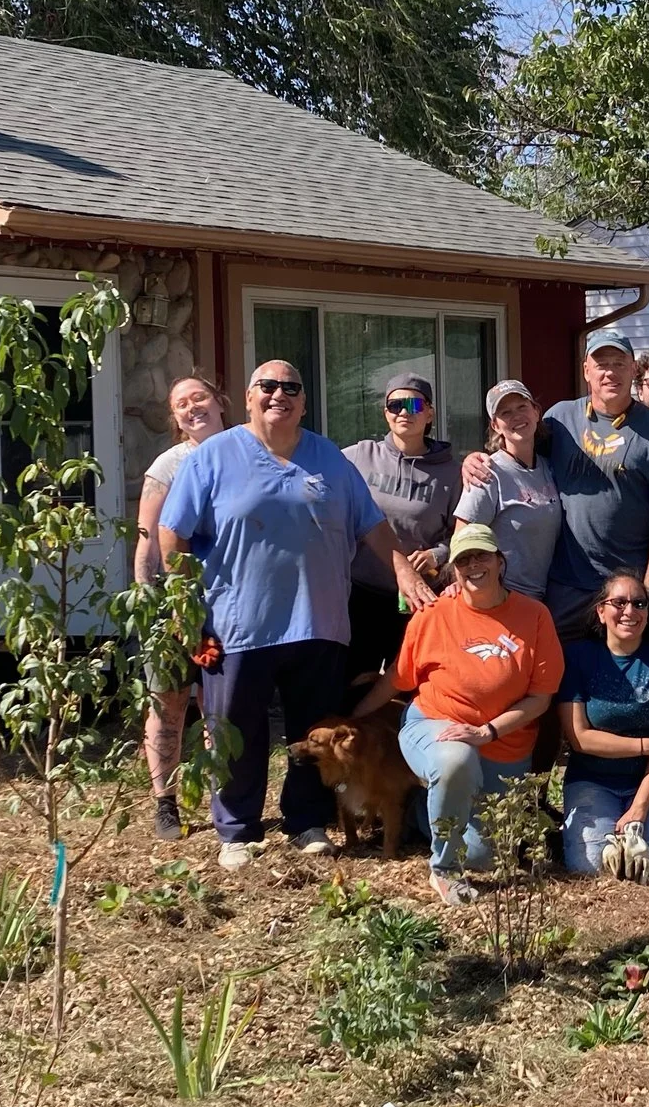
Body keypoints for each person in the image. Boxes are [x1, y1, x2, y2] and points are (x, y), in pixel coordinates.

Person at [157, 360, 431, 870]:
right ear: (248, 396)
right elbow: (171, 533)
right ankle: (237, 829)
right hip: (238, 624)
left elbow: (373, 527)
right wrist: (182, 604)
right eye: (268, 385)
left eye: (291, 387)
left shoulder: (328, 459)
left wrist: (405, 574)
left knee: (315, 734)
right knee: (238, 729)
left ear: (304, 402)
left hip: (320, 624)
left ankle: (307, 820)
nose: (279, 394)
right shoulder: (213, 457)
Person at [354, 523, 563, 904]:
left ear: (500, 562)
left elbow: (540, 699)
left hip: (504, 743)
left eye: (481, 556)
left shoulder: (534, 616)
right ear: (453, 569)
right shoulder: (433, 614)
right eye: (463, 560)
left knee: (486, 856)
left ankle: (420, 808)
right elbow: (397, 680)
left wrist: (487, 731)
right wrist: (353, 717)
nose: (473, 566)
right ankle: (445, 870)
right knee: (456, 759)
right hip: (435, 723)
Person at [464, 329, 649, 641]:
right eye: (601, 364)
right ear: (586, 371)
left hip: (625, 588)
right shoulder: (560, 418)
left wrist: (648, 593)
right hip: (564, 584)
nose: (610, 372)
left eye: (619, 363)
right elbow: (518, 451)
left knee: (627, 678)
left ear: (633, 369)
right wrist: (475, 458)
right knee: (557, 674)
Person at [135, 374, 229, 839]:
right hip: (175, 603)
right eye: (181, 405)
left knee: (218, 705)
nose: (193, 408)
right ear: (175, 419)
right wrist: (154, 601)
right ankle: (165, 804)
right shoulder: (168, 466)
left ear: (220, 402)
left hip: (229, 602)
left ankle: (222, 801)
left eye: (200, 398)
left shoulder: (244, 452)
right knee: (169, 702)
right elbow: (148, 543)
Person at [557, 571, 649, 882]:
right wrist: (645, 745)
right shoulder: (578, 657)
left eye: (639, 603)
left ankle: (630, 830)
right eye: (618, 603)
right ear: (601, 612)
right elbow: (580, 738)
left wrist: (639, 810)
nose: (629, 611)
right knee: (590, 869)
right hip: (593, 779)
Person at [341, 374, 458, 686]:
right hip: (360, 595)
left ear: (430, 413)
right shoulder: (357, 458)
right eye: (395, 404)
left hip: (417, 600)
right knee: (350, 685)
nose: (404, 412)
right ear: (385, 412)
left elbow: (462, 532)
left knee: (407, 685)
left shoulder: (451, 472)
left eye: (414, 404)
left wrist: (438, 553)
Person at [453, 380, 563, 604]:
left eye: (522, 407)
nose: (516, 417)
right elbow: (462, 538)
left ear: (536, 411)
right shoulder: (487, 473)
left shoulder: (548, 466)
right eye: (505, 412)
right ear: (495, 425)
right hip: (502, 598)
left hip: (544, 598)